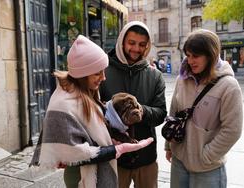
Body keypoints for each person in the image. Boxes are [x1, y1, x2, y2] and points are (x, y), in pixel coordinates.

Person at [30, 35, 154, 188]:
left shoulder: (87, 91)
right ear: (82, 74)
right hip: (81, 178)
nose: (103, 77)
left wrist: (114, 137)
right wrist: (117, 149)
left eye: (103, 71)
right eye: (97, 73)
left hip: (92, 173)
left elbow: (89, 135)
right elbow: (74, 153)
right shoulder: (64, 102)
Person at [164, 29, 243, 188]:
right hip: (179, 160)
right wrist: (169, 145)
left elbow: (232, 130)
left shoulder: (228, 86)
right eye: (188, 55)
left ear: (211, 54)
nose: (190, 60)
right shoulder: (182, 79)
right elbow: (174, 111)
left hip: (208, 168)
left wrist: (206, 156)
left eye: (196, 56)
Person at [100, 21, 167, 188]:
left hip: (146, 158)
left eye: (142, 44)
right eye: (131, 43)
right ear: (122, 41)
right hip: (113, 158)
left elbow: (161, 114)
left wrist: (139, 111)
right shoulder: (102, 70)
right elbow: (93, 109)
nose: (136, 49)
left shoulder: (155, 76)